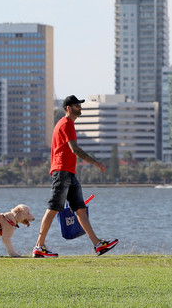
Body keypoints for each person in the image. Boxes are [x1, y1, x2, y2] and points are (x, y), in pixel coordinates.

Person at [33, 95, 118, 258]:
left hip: (69, 173)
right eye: (76, 105)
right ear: (68, 108)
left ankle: (98, 245)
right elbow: (75, 149)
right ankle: (39, 246)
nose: (79, 107)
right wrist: (95, 162)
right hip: (62, 171)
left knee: (80, 209)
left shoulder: (68, 124)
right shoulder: (66, 123)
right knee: (53, 208)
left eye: (80, 105)